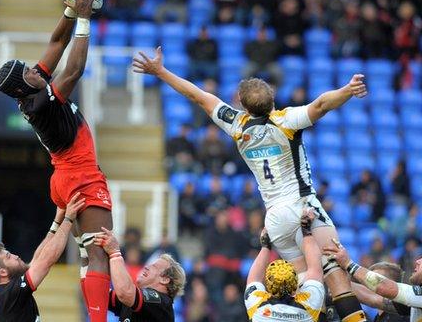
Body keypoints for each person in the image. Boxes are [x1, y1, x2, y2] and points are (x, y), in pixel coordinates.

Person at [133, 47, 369, 321]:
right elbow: (321, 105)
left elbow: (197, 96)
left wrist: (160, 71)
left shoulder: (236, 124)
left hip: (276, 219)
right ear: (272, 101)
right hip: (304, 204)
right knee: (333, 271)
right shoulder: (286, 121)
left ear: (243, 106)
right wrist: (348, 90)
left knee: (305, 279)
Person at [0, 0, 113, 321]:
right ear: (23, 86)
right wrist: (86, 18)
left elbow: (57, 40)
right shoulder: (39, 102)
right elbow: (74, 69)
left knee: (91, 253)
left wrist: (71, 6)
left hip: (67, 175)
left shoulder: (31, 89)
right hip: (79, 174)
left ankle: (95, 314)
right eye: (29, 70)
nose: (36, 68)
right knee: (100, 250)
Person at [0, 193, 86, 322]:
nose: (16, 256)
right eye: (9, 257)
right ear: (2, 272)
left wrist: (57, 221)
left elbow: (36, 260)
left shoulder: (4, 289)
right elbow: (46, 261)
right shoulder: (8, 295)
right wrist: (68, 220)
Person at [244, 210, 325, 321]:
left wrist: (265, 246)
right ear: (295, 282)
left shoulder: (257, 306)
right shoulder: (309, 305)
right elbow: (315, 268)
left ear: (268, 284)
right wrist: (306, 229)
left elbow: (253, 279)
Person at [94, 227, 185, 321]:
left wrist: (114, 252)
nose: (146, 267)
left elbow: (125, 292)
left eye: (153, 267)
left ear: (165, 279)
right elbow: (98, 294)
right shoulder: (134, 300)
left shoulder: (161, 302)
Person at [324, 241, 421, 321]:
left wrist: (349, 264)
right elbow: (373, 298)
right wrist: (334, 278)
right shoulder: (414, 303)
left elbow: (384, 288)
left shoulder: (398, 318)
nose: (417, 261)